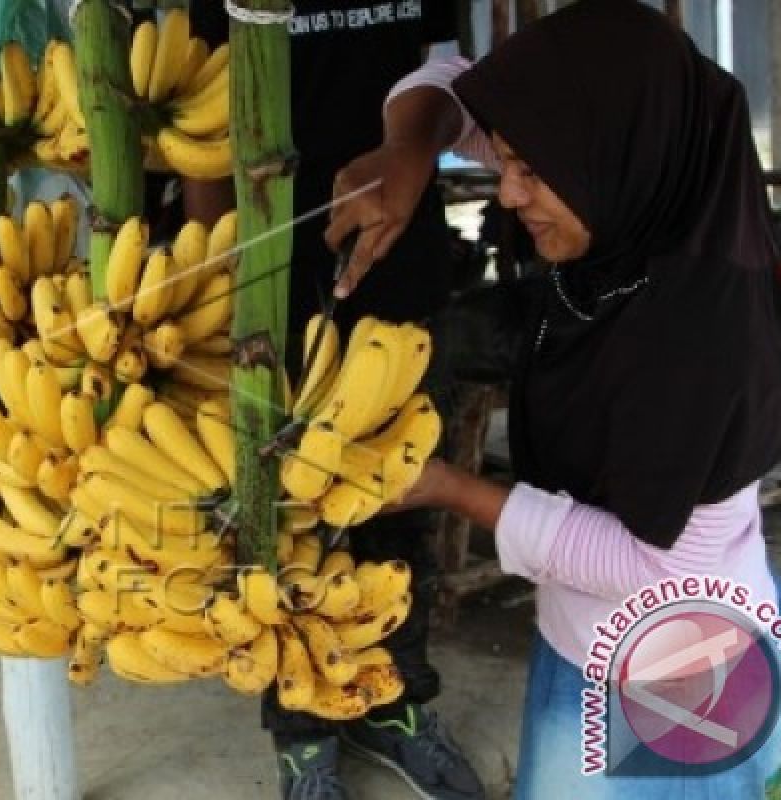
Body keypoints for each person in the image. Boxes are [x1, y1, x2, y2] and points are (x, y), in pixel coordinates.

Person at [327, 1, 781, 797]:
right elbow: (451, 85)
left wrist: (448, 488)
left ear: (612, 156)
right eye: (505, 160)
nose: (507, 194)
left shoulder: (694, 345)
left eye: (529, 172)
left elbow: (645, 567)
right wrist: (408, 149)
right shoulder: (646, 180)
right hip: (591, 631)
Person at [182, 2, 486, 799]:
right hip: (267, 266)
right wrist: (217, 282)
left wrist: (406, 151)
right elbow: (205, 130)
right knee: (282, 512)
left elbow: (445, 75)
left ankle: (393, 702)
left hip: (401, 254)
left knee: (400, 496)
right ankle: (302, 726)